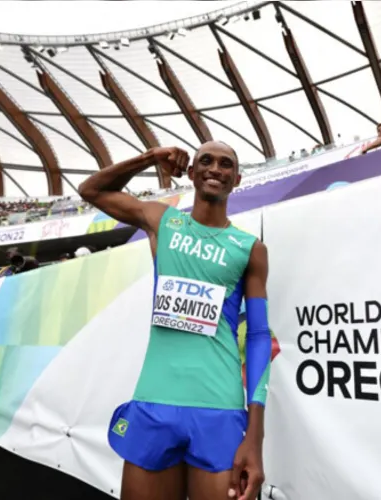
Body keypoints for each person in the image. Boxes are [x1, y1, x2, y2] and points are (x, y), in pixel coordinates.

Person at [78, 142, 272, 500]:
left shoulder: (249, 248)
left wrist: (255, 435)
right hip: (155, 404)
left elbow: (258, 335)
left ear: (237, 179)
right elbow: (91, 190)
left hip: (220, 409)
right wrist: (149, 158)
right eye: (206, 161)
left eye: (226, 164)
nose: (216, 168)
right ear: (193, 173)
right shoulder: (162, 221)